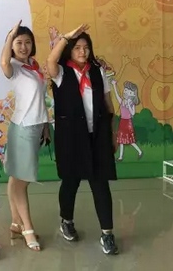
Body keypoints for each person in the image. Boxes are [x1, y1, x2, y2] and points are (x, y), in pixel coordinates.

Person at [46, 24, 119, 255]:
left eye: (86, 47)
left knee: (100, 184)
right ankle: (66, 220)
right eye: (77, 47)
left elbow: (108, 105)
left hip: (97, 137)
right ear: (70, 50)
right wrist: (66, 37)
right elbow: (50, 61)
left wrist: (113, 133)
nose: (82, 51)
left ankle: (107, 233)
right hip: (71, 139)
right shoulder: (61, 72)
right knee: (71, 182)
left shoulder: (97, 72)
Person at [0, 20, 49, 251]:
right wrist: (10, 35)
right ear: (11, 46)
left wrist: (46, 125)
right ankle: (28, 228)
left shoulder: (33, 66)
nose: (23, 47)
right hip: (23, 127)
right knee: (22, 181)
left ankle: (15, 223)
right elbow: (3, 62)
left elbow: (40, 99)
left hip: (36, 125)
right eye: (18, 42)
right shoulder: (13, 66)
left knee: (16, 178)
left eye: (27, 42)